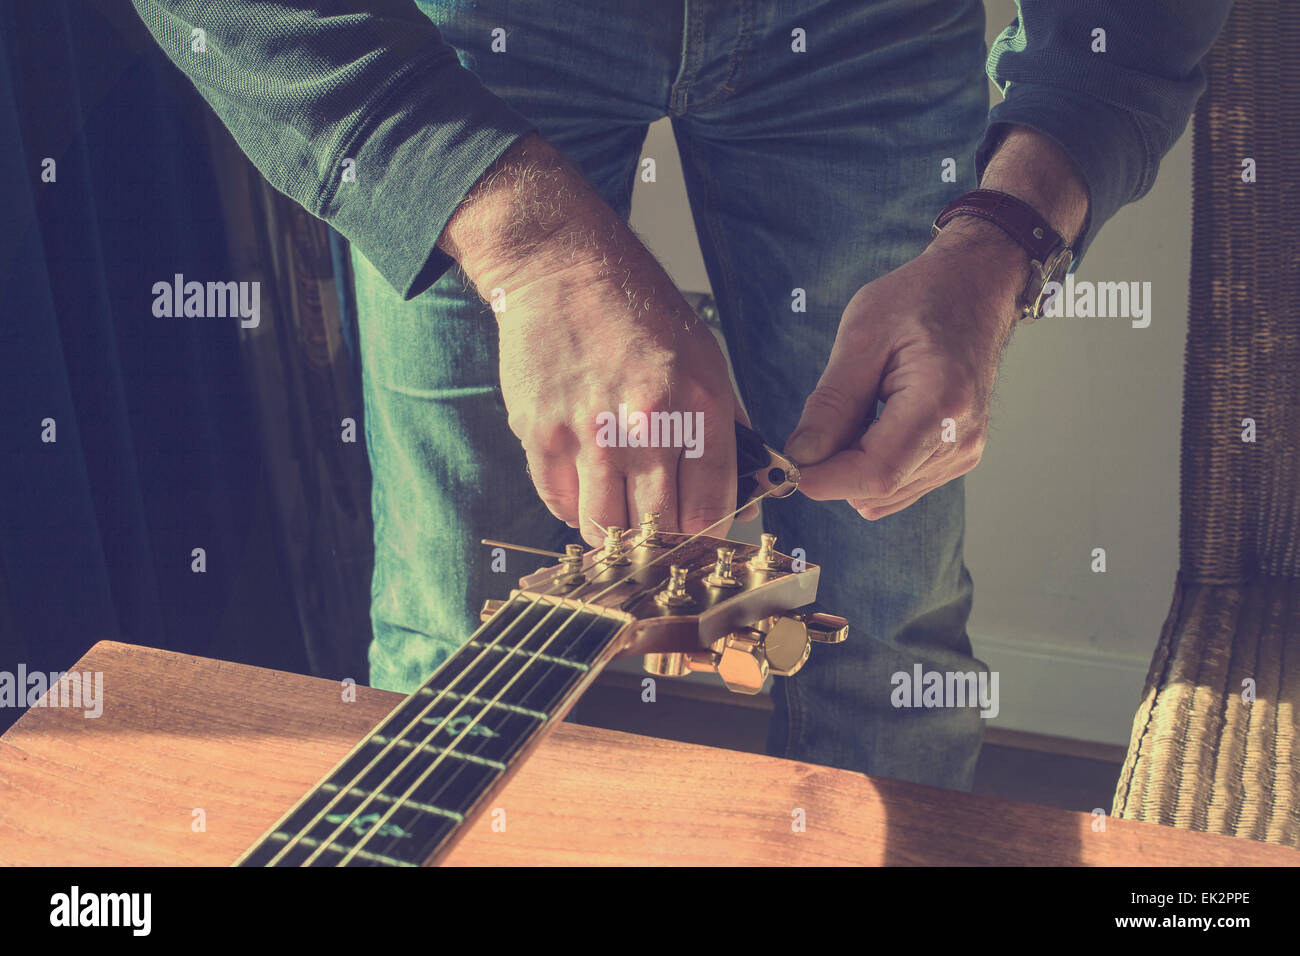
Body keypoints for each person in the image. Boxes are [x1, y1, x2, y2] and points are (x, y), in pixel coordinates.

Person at [131, 0, 1230, 790]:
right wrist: (522, 242)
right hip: (475, 38)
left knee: (886, 630)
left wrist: (1006, 240)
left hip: (869, 25)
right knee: (452, 633)